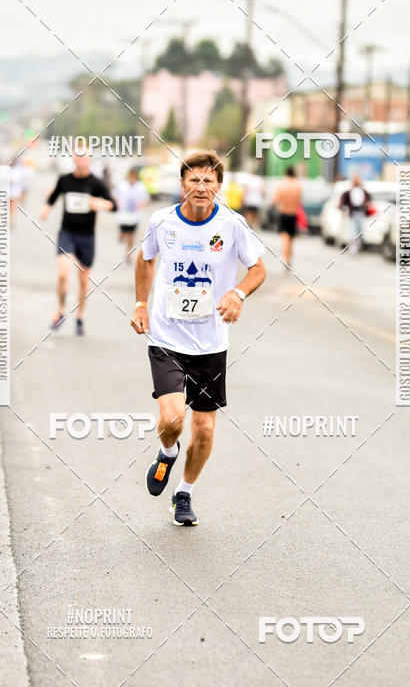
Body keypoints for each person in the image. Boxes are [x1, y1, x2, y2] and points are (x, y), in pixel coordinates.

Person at [131, 151, 266, 526]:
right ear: (182, 185)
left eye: (209, 181)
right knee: (174, 419)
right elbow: (144, 259)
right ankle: (168, 452)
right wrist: (141, 304)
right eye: (194, 180)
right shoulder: (161, 222)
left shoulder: (233, 224)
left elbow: (258, 268)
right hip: (166, 337)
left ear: (219, 187)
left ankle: (184, 493)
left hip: (211, 344)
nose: (202, 188)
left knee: (204, 429)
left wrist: (237, 294)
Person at [39, 148, 115, 335]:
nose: (81, 160)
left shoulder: (96, 183)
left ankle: (80, 316)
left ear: (89, 160)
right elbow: (54, 196)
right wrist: (46, 209)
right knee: (63, 272)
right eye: (78, 157)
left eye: (84, 157)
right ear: (74, 159)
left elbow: (113, 205)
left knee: (82, 280)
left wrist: (99, 204)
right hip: (67, 233)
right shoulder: (65, 180)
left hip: (87, 237)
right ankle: (61, 311)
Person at [113, 167, 150, 264]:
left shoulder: (140, 187)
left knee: (131, 236)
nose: (132, 178)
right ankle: (121, 236)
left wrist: (141, 205)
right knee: (124, 234)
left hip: (134, 215)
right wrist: (118, 203)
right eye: (131, 176)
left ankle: (128, 254)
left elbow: (146, 199)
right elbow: (114, 196)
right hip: (123, 215)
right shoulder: (121, 186)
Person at [273, 166, 302, 268]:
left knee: (284, 238)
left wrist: (276, 206)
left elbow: (276, 200)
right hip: (293, 214)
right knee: (291, 239)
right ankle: (289, 258)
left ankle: (286, 259)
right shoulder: (297, 185)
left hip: (284, 213)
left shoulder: (282, 184)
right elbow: (300, 201)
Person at [338, 174, 371, 254]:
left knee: (360, 231)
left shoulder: (364, 192)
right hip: (353, 213)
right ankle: (353, 247)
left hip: (361, 213)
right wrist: (343, 211)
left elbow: (369, 201)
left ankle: (360, 246)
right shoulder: (348, 192)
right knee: (352, 231)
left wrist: (366, 206)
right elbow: (343, 203)